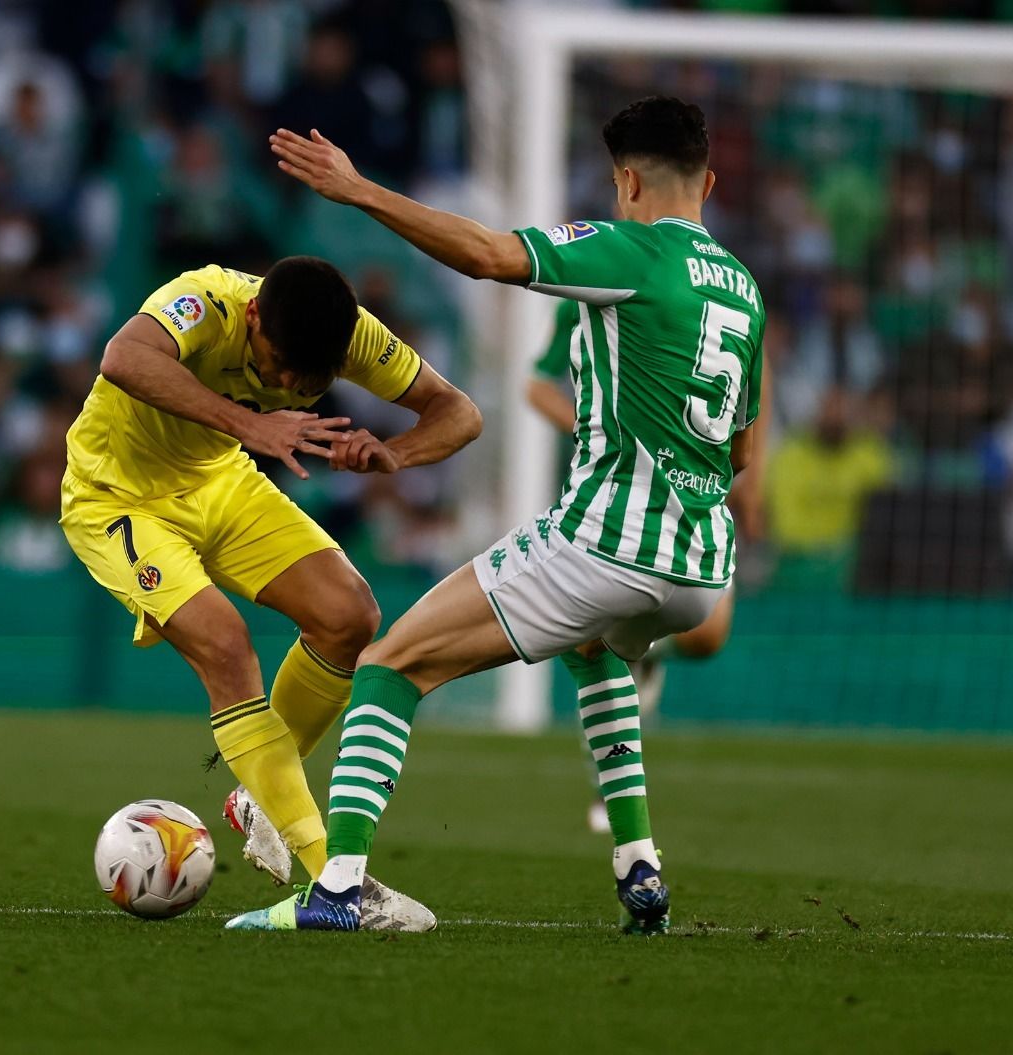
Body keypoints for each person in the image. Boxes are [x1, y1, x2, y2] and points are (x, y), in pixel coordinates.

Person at [230, 96, 765, 934]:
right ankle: (641, 869)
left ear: (625, 180)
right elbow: (739, 449)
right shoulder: (744, 288)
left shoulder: (631, 248)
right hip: (704, 566)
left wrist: (362, 191)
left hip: (611, 540)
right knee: (591, 647)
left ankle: (336, 887)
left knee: (389, 661)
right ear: (710, 180)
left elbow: (487, 254)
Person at [60, 255, 482, 931]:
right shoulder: (206, 300)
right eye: (280, 363)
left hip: (220, 483)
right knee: (225, 643)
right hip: (119, 495)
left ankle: (260, 799)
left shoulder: (352, 335)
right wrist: (250, 424)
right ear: (254, 317)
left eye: (308, 378)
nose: (288, 382)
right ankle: (334, 879)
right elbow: (123, 357)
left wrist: (396, 453)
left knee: (350, 615)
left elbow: (459, 412)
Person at [527, 298, 752, 834]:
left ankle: (641, 650)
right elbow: (538, 387)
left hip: (695, 490)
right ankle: (615, 802)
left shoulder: (716, 291)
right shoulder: (590, 291)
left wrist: (751, 481)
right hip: (618, 497)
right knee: (598, 650)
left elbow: (750, 403)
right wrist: (596, 427)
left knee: (707, 635)